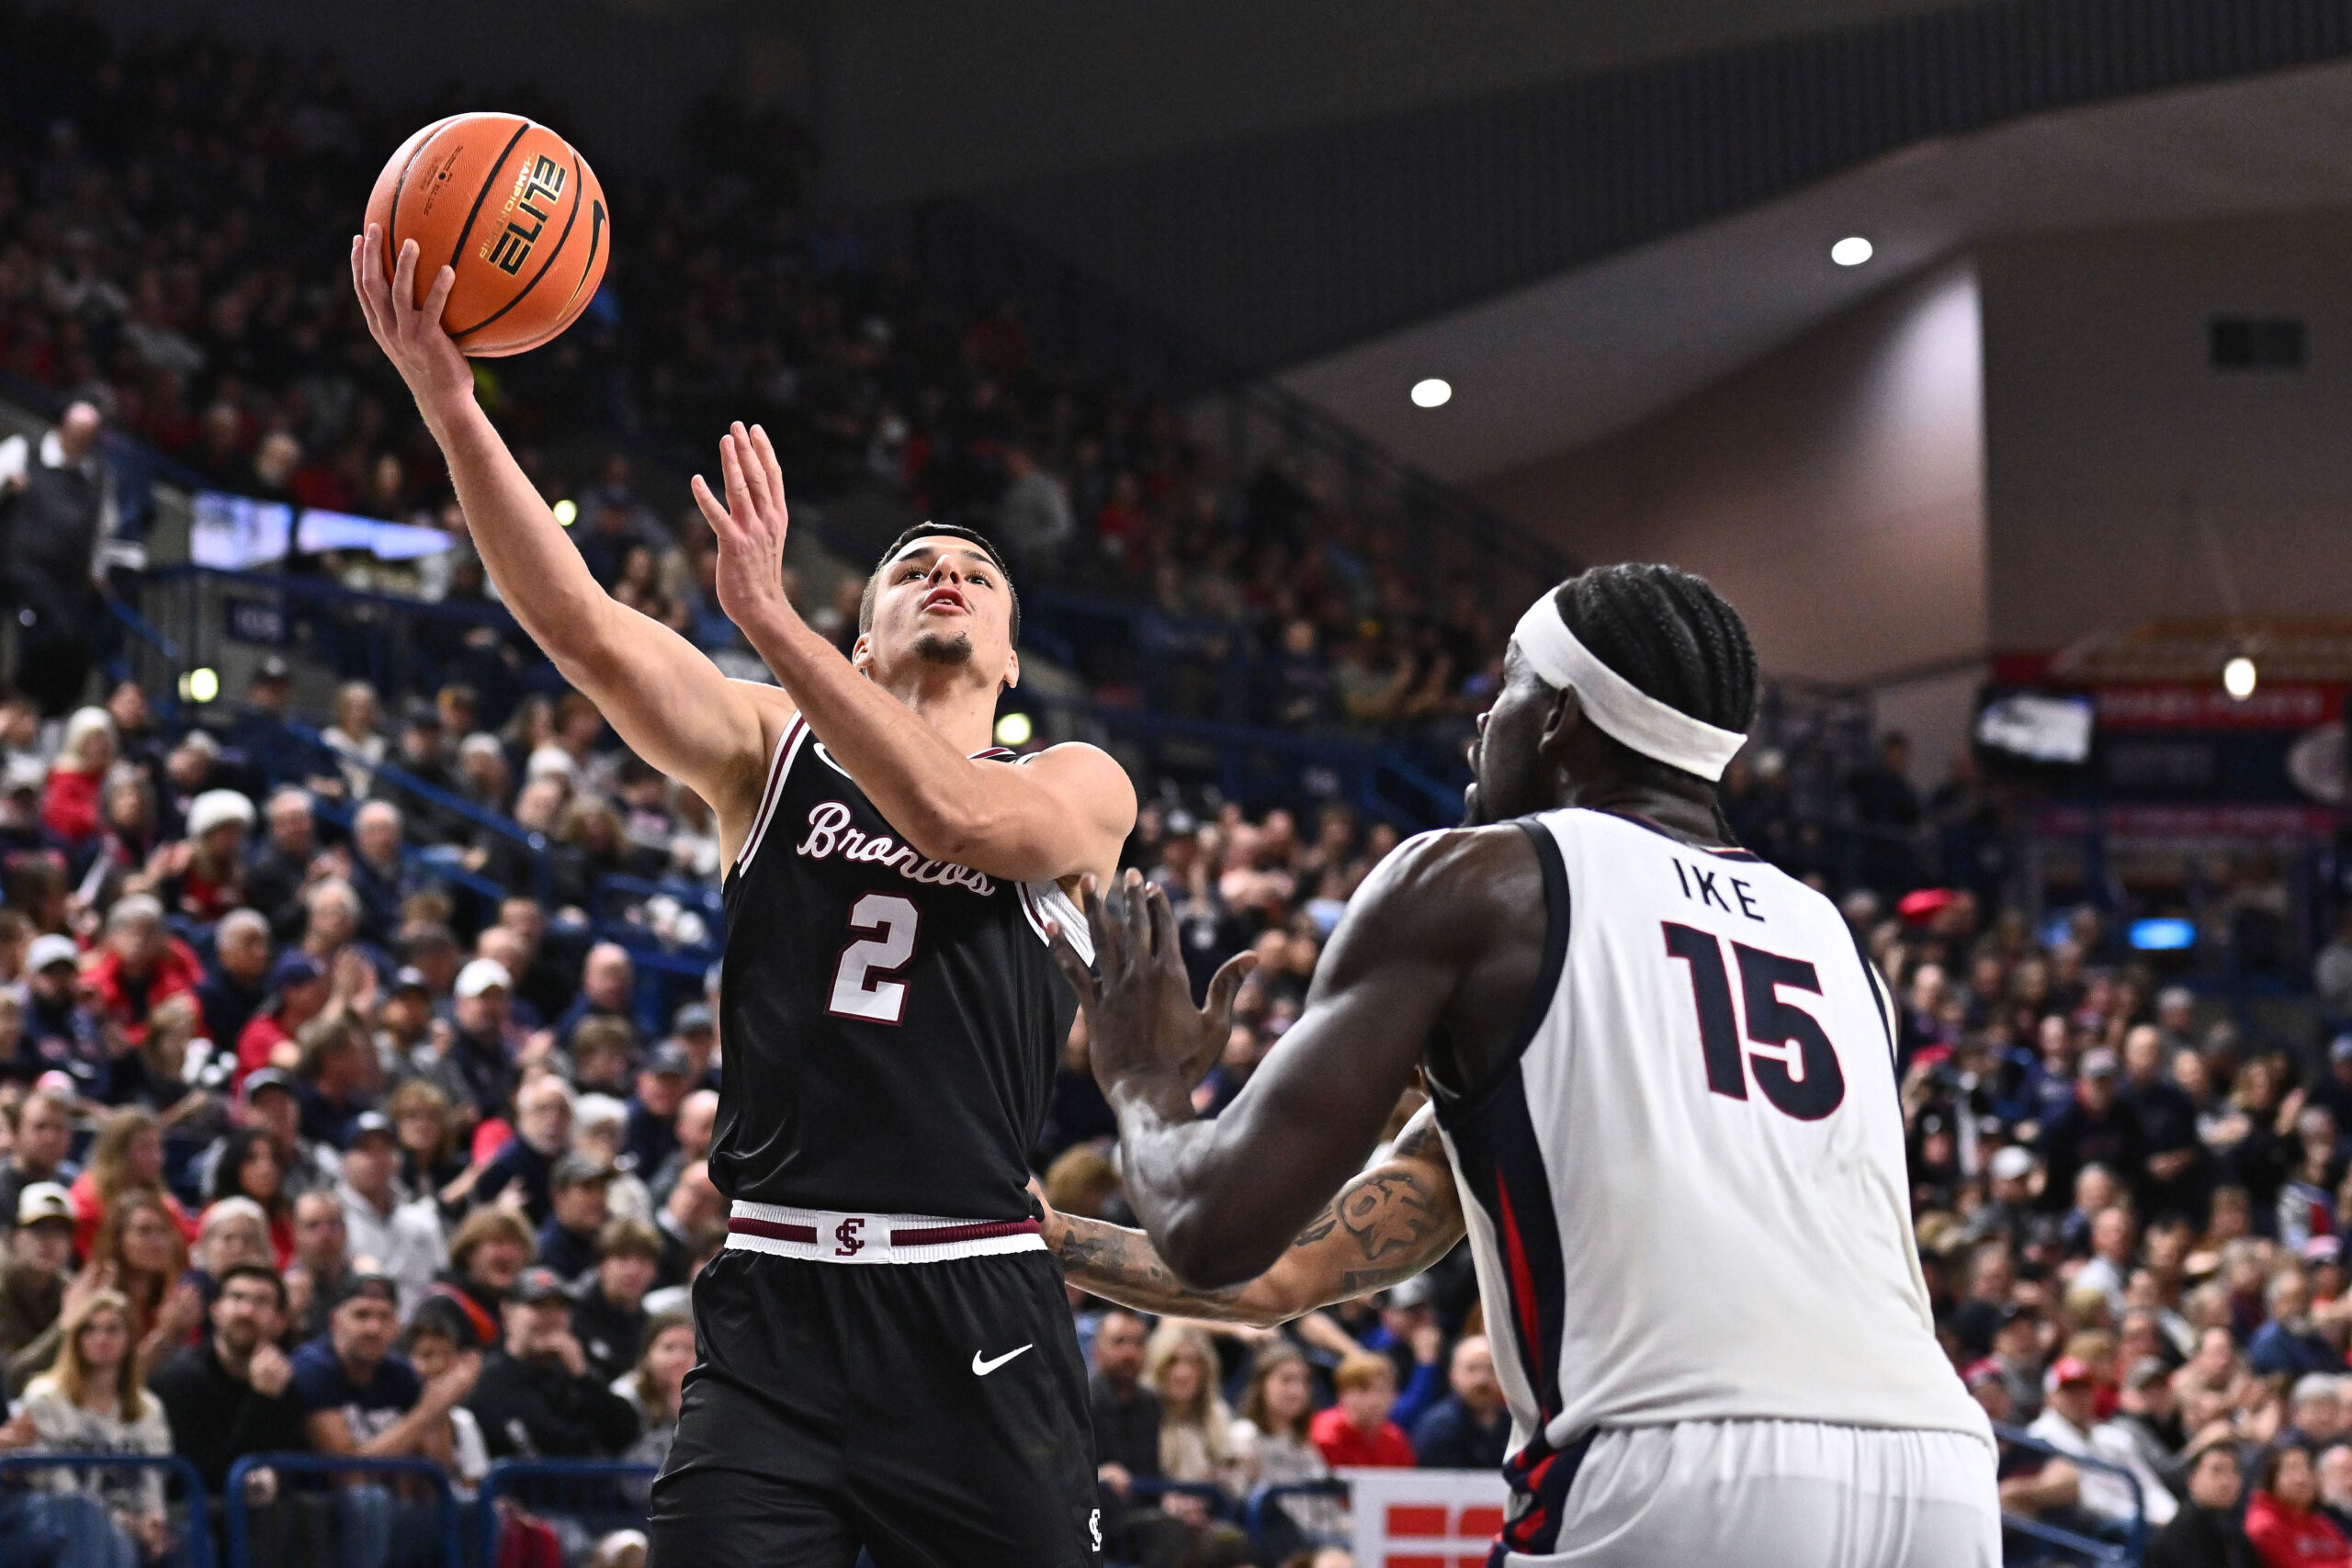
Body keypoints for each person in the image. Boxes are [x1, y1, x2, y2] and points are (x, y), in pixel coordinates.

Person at [357, 223, 1136, 1565]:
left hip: (972, 1293)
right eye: (910, 569)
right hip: (775, 1297)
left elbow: (956, 815)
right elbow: (580, 627)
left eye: (977, 573)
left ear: (1008, 657)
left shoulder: (1074, 780)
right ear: (865, 633)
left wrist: (768, 616)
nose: (945, 574)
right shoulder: (765, 744)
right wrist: (449, 403)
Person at [1042, 565, 1999, 1564]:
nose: (1478, 723)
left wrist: (1143, 1079)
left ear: (1559, 721)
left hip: (1668, 1465)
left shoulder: (1479, 880)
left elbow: (1213, 1231)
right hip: (1936, 1474)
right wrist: (1055, 1238)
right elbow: (1294, 1274)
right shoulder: (1838, 945)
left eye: (1503, 689)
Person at [18, 1287, 174, 1567]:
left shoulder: (148, 1407)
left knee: (188, 1537)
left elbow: (153, 1476)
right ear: (75, 1339)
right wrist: (121, 1521)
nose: (101, 1338)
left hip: (133, 1515)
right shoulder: (45, 1397)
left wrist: (153, 1518)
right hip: (72, 1517)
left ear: (130, 1338)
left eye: (113, 1330)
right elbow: (58, 1484)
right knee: (108, 1536)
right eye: (89, 1330)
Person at [147, 1262, 310, 1496]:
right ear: (215, 1312)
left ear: (280, 1323)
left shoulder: (285, 1379)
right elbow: (207, 1477)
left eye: (261, 1302)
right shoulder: (180, 1378)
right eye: (236, 1298)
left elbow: (293, 1469)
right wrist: (261, 1399)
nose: (246, 1311)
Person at [293, 1273, 480, 1469]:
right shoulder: (312, 1369)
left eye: (385, 1316)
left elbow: (439, 1469)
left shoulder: (400, 1373)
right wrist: (428, 1411)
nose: (374, 1328)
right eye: (361, 1315)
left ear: (397, 1326)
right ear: (334, 1322)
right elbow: (346, 1470)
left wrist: (442, 1403)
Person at [0, 401, 114, 716]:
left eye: (88, 435)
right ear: (61, 427)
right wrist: (8, 489)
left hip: (70, 581)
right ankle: (16, 705)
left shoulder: (99, 475)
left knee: (77, 646)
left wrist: (97, 570)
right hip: (19, 572)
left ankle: (46, 715)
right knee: (45, 636)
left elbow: (103, 530)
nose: (80, 440)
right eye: (76, 432)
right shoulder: (23, 450)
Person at [465, 1266, 639, 1461]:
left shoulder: (577, 1376)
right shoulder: (490, 1379)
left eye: (559, 1308)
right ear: (507, 1313)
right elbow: (544, 1444)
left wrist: (582, 1376)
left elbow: (625, 1433)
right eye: (538, 1306)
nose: (550, 1317)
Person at [337, 1112, 446, 1315]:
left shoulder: (423, 1219)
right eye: (365, 1150)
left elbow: (441, 1282)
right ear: (344, 1160)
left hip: (419, 1331)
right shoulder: (333, 1220)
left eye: (385, 1149)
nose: (377, 1159)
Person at [1, 1182, 75, 1395]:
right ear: (13, 1236)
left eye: (60, 1232)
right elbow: (9, 1379)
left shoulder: (68, 1288)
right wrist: (65, 1326)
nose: (49, 1242)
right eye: (38, 1229)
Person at [2146, 1434, 2257, 1568]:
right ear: (2192, 1477)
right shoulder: (2179, 1536)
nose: (2226, 1481)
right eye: (2216, 1470)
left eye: (2234, 1471)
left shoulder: (2231, 1529)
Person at [572, 1219, 661, 1385]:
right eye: (622, 1258)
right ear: (601, 1265)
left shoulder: (650, 1328)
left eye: (643, 1260)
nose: (633, 1271)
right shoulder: (574, 1316)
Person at [1412, 1335, 1511, 1469]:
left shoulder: (1514, 1425)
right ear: (1452, 1375)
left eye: (1491, 1369)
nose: (1482, 1379)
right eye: (1472, 1369)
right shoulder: (1438, 1427)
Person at [2245, 1445, 2352, 1567]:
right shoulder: (2264, 1525)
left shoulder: (2321, 1523)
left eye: (2307, 1469)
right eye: (2292, 1470)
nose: (2302, 1479)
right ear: (2271, 1477)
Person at [1311, 1351, 1416, 1469]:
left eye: (1382, 1390)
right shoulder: (1323, 1438)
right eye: (1364, 1391)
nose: (1375, 1401)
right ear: (1343, 1393)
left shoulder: (1396, 1440)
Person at [0, 1087, 77, 1228]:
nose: (51, 1138)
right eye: (40, 1127)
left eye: (59, 1128)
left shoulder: (75, 1186)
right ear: (14, 1133)